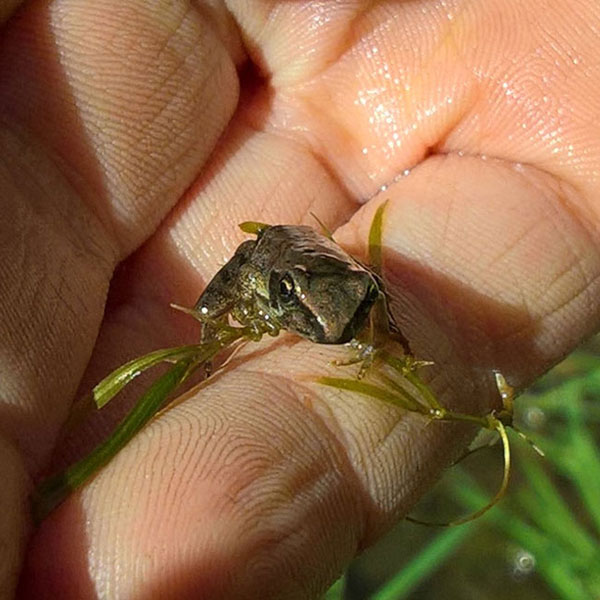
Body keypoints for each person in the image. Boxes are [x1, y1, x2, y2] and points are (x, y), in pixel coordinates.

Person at [2, 1, 599, 597]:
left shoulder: (358, 298)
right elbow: (256, 268)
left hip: (324, 267)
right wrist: (243, 313)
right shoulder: (273, 281)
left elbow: (354, 291)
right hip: (276, 259)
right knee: (214, 311)